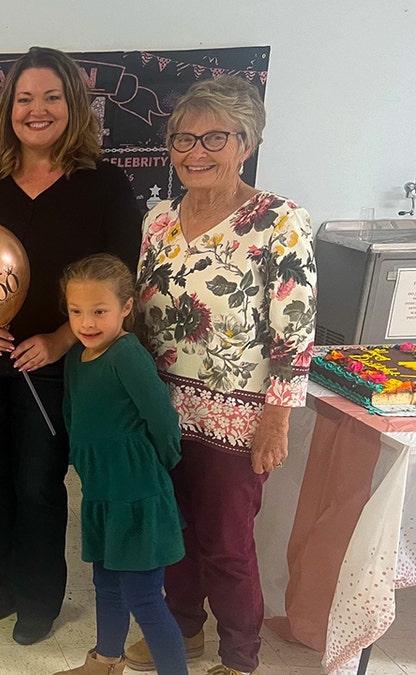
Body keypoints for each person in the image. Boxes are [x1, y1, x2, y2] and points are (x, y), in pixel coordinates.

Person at [0, 46, 142, 645]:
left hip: (56, 365)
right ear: (7, 108)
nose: (36, 110)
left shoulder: (105, 185)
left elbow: (122, 281)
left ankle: (41, 595)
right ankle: (4, 581)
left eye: (51, 98)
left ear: (73, 105)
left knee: (39, 483)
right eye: (24, 99)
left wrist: (61, 337)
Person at [130, 76, 317, 675]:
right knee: (174, 531)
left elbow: (296, 329)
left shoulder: (279, 221)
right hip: (163, 408)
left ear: (246, 143)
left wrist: (277, 419)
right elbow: (137, 310)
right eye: (184, 139)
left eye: (215, 137)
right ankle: (181, 634)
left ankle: (240, 658)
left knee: (228, 547)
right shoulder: (157, 220)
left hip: (238, 416)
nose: (196, 152)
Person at [54, 254, 186, 675]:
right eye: (76, 312)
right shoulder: (77, 358)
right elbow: (74, 416)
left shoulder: (126, 353)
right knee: (106, 586)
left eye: (99, 311)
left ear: (126, 307)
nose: (86, 323)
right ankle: (106, 662)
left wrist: (153, 470)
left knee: (145, 598)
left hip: (137, 496)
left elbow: (162, 420)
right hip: (101, 494)